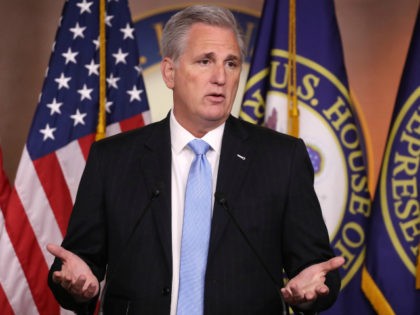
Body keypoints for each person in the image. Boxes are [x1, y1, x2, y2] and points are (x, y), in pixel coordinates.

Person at [47, 5, 345, 315]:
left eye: (231, 64)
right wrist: (78, 287)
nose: (220, 77)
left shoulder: (282, 158)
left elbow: (316, 269)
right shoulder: (112, 158)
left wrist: (311, 293)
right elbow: (78, 264)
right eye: (205, 61)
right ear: (169, 72)